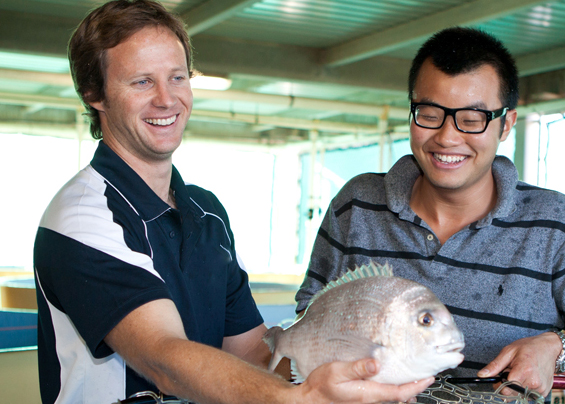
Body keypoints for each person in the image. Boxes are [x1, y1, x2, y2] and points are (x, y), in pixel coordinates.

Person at [32, 1, 433, 403]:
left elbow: (254, 357)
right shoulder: (83, 216)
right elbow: (164, 360)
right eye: (141, 82)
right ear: (94, 93)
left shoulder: (207, 214)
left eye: (177, 77)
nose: (166, 99)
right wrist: (296, 400)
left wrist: (369, 363)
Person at [296, 27, 565, 397]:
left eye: (472, 119)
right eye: (429, 113)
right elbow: (310, 318)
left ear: (506, 124)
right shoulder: (356, 205)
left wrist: (554, 347)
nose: (447, 137)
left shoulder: (556, 224)